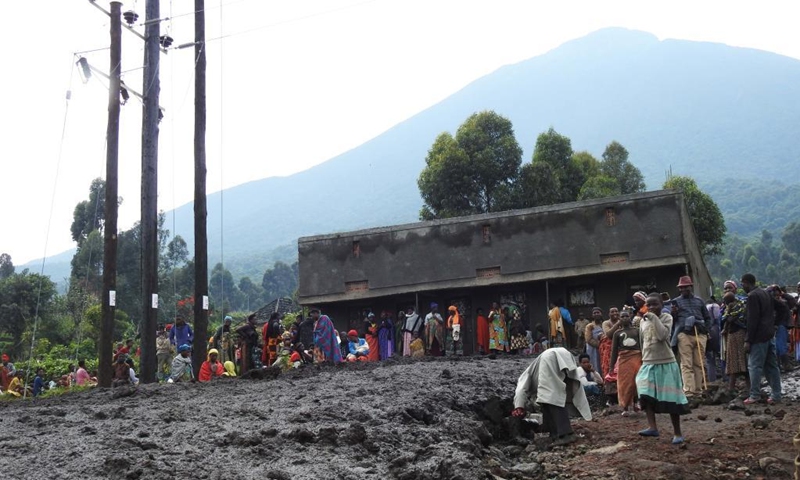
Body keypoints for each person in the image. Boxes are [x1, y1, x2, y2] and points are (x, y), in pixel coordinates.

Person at [512, 347, 592, 446]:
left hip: (550, 357)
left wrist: (519, 407)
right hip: (564, 353)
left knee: (551, 398)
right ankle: (554, 433)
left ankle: (565, 434)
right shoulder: (536, 374)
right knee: (557, 395)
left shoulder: (523, 378)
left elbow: (520, 391)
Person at [636, 294, 689, 444]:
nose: (651, 308)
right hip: (648, 362)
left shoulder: (667, 318)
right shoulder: (642, 321)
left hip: (666, 362)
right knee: (644, 393)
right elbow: (642, 341)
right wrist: (642, 358)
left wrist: (653, 318)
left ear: (661, 304)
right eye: (649, 305)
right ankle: (652, 427)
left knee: (671, 398)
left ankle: (677, 433)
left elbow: (662, 336)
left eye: (655, 304)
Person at [740, 273, 782, 405]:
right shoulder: (765, 293)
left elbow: (752, 320)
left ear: (746, 282)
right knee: (772, 366)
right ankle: (776, 395)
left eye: (742, 284)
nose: (742, 287)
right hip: (769, 335)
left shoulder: (752, 296)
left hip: (758, 337)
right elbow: (782, 307)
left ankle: (754, 395)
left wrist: (748, 340)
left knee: (754, 366)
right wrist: (775, 323)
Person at [670, 276, 712, 397]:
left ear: (691, 287)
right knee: (686, 363)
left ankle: (698, 390)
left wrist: (705, 330)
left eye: (686, 287)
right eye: (682, 287)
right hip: (684, 335)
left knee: (699, 364)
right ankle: (689, 391)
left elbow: (707, 318)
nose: (684, 289)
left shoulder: (699, 301)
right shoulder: (676, 302)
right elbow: (674, 320)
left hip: (699, 334)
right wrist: (674, 313)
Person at [612, 309, 642, 415]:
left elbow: (642, 345)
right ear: (619, 319)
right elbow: (614, 350)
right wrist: (611, 367)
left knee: (636, 381)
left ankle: (636, 402)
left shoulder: (637, 331)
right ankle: (625, 406)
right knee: (624, 383)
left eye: (626, 316)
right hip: (624, 359)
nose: (624, 318)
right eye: (622, 317)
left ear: (630, 317)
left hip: (637, 357)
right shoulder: (617, 333)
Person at [721, 291, 750, 395]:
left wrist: (724, 329)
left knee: (733, 361)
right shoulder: (741, 306)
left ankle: (731, 388)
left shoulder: (731, 307)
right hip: (740, 333)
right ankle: (749, 387)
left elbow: (728, 319)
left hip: (734, 335)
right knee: (743, 361)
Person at [769, 285, 791, 372]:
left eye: (778, 295)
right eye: (775, 295)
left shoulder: (783, 303)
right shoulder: (770, 305)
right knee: (775, 348)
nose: (777, 297)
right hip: (772, 327)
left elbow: (791, 301)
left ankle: (786, 365)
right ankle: (778, 366)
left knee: (781, 346)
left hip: (781, 326)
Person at [584, 307, 605, 375]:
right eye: (594, 313)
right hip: (593, 349)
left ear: (601, 314)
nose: (596, 314)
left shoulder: (604, 324)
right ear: (592, 315)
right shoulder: (590, 326)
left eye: (598, 312)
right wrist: (600, 345)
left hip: (604, 349)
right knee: (595, 363)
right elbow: (588, 339)